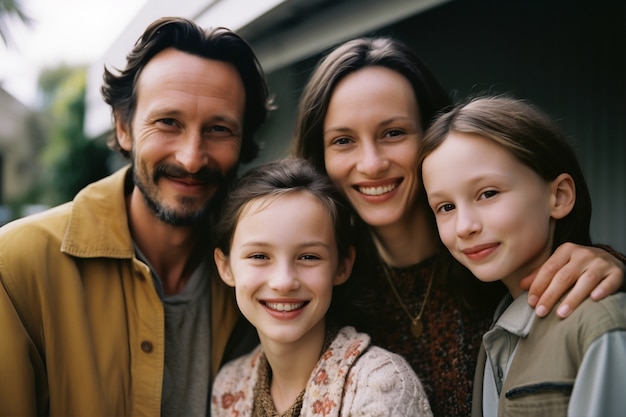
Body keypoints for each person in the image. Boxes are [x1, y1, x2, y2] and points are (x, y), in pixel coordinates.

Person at [291, 36, 626, 415]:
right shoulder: (324, 282)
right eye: (343, 140)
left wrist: (613, 265)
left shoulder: (495, 261)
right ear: (320, 156)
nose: (371, 164)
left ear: (433, 136)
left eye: (393, 133)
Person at [0, 17, 271, 416]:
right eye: (168, 123)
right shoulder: (16, 266)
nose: (191, 157)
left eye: (218, 129)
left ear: (243, 142)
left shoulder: (268, 274)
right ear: (124, 128)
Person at [418, 95, 626, 416]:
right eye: (446, 207)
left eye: (488, 193)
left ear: (558, 196)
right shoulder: (498, 331)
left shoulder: (598, 324)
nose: (464, 226)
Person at [211, 157, 432, 416]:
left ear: (343, 266)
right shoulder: (229, 386)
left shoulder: (379, 386)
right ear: (225, 267)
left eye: (309, 257)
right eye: (259, 256)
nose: (283, 282)